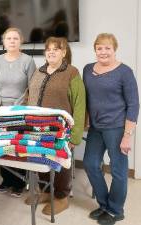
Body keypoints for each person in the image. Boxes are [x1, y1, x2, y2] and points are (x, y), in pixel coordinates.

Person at [24, 37, 86, 215]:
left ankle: (61, 197)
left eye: (56, 49)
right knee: (40, 160)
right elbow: (29, 95)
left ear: (64, 53)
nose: (51, 52)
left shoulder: (72, 73)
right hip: (36, 128)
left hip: (60, 130)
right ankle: (45, 191)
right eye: (48, 49)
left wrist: (75, 135)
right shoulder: (39, 71)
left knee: (60, 162)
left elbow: (80, 104)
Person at [83, 33, 139, 225]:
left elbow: (134, 105)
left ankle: (115, 210)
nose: (103, 52)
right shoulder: (88, 70)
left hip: (116, 128)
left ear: (114, 49)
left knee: (118, 170)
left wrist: (127, 135)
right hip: (96, 128)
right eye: (99, 48)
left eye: (107, 48)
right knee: (90, 164)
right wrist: (87, 120)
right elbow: (88, 98)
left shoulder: (125, 72)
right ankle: (104, 204)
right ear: (95, 50)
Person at [0, 27, 36, 197]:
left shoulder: (28, 61)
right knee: (4, 145)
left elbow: (32, 87)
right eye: (9, 38)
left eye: (15, 38)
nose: (12, 41)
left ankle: (19, 182)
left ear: (21, 41)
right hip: (0, 110)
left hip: (20, 110)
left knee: (17, 145)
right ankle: (6, 179)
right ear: (4, 42)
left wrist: (17, 106)